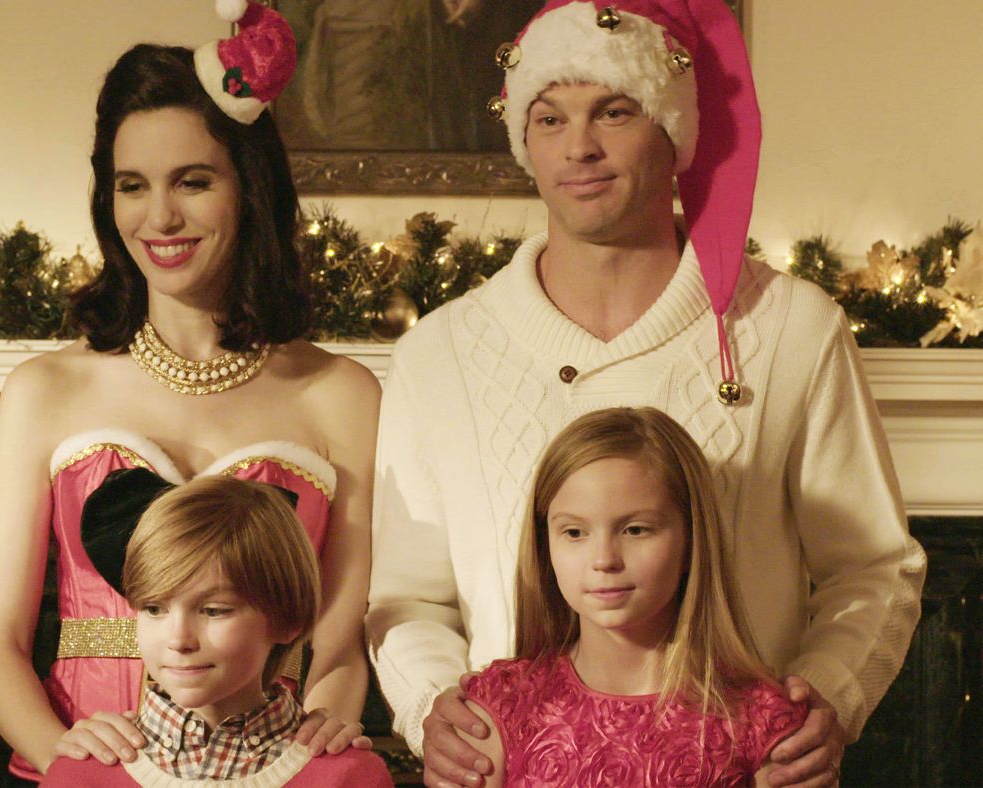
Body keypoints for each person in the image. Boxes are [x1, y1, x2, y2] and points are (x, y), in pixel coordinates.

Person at [364, 1, 926, 787]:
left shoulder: (793, 329)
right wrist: (434, 706)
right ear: (523, 139)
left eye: (614, 112)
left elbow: (872, 567)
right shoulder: (439, 354)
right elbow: (406, 598)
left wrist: (826, 697)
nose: (579, 147)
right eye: (550, 118)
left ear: (674, 129)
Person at [0, 2, 379, 779]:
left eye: (192, 181)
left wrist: (306, 759)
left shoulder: (342, 395)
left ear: (249, 189)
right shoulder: (44, 391)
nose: (160, 216)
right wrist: (73, 766)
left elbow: (338, 646)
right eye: (133, 185)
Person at [457, 407, 807, 786]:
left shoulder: (761, 719)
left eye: (636, 530)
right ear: (546, 546)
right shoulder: (501, 707)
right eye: (574, 532)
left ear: (692, 541)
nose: (604, 560)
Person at [43, 473, 393, 786]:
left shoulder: (350, 775)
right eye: (154, 609)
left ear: (288, 621)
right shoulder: (79, 775)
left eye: (213, 611)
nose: (179, 640)